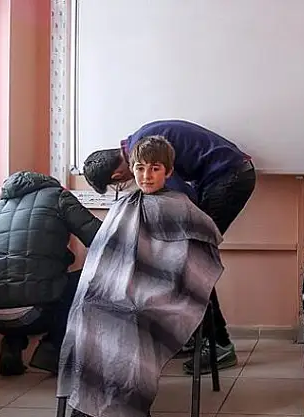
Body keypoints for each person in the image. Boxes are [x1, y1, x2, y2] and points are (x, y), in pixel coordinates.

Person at [60, 137, 225, 417]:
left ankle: (130, 404)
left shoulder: (182, 207)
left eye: (155, 168)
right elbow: (104, 256)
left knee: (134, 315)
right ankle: (86, 403)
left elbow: (197, 255)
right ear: (131, 170)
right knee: (87, 308)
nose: (146, 175)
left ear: (168, 171)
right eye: (140, 168)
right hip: (116, 286)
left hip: (163, 291)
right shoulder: (123, 205)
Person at [81, 119, 255, 375]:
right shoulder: (140, 140)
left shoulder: (147, 151)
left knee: (194, 262)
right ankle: (195, 336)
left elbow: (183, 200)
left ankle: (219, 344)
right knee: (185, 261)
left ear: (118, 176)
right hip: (224, 175)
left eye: (118, 185)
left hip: (231, 176)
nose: (142, 176)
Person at [0, 171, 102, 376]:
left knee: (18, 281)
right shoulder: (58, 196)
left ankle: (11, 345)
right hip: (38, 313)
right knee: (91, 279)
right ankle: (52, 347)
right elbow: (100, 237)